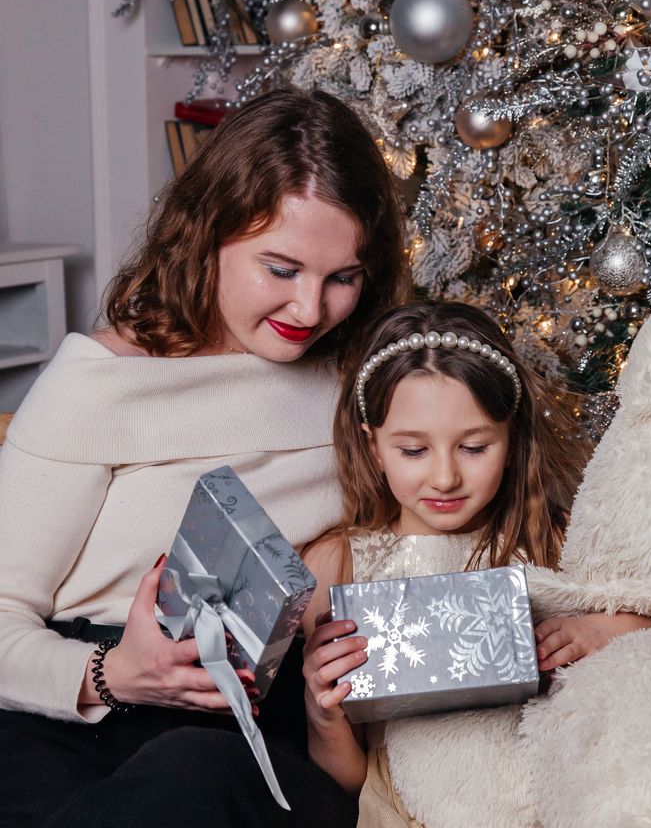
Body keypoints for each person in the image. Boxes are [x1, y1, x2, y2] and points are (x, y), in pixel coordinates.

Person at [0, 87, 408, 828]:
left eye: (342, 278)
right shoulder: (100, 383)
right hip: (78, 703)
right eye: (280, 269)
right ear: (207, 236)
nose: (309, 310)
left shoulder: (372, 383)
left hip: (256, 726)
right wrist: (113, 675)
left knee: (191, 772)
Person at [301, 299, 651, 827]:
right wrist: (323, 713)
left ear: (511, 440)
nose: (445, 477)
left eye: (473, 447)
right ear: (373, 446)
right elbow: (349, 784)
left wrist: (601, 630)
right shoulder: (339, 566)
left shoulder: (555, 539)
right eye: (413, 451)